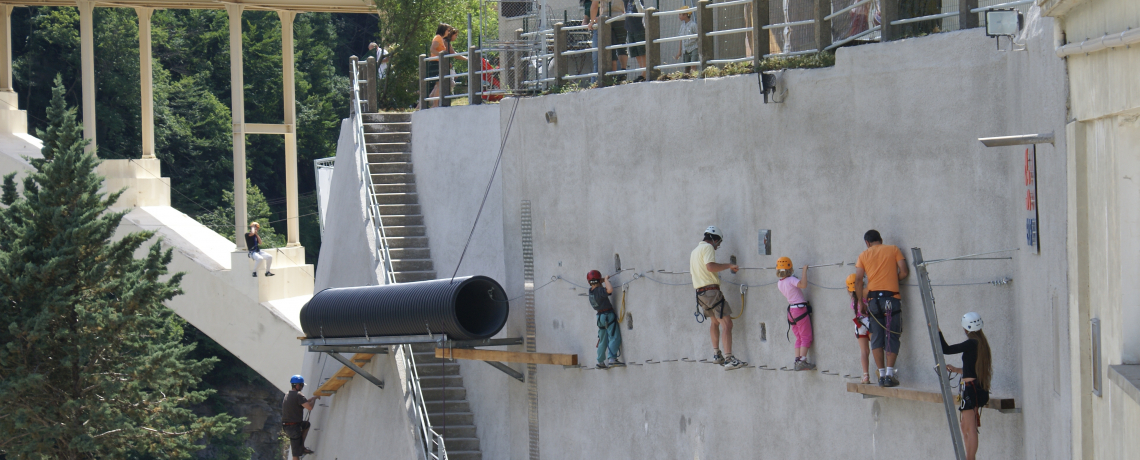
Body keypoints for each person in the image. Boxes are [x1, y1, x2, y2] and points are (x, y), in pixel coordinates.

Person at [853, 229, 908, 387]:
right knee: (892, 334)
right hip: (892, 298)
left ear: (867, 243)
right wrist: (892, 279)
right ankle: (890, 374)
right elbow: (904, 272)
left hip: (873, 300)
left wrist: (860, 303)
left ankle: (881, 375)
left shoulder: (863, 255)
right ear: (881, 239)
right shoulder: (893, 249)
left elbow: (858, 280)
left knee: (876, 337)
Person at [690, 226, 746, 370]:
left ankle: (717, 354)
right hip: (711, 292)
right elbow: (710, 267)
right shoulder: (707, 248)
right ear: (714, 239)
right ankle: (729, 358)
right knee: (727, 324)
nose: (718, 246)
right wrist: (729, 265)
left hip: (700, 294)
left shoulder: (694, 252)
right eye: (718, 243)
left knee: (715, 322)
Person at [941, 312, 992, 460]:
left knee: (970, 428)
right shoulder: (982, 343)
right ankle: (969, 457)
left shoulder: (972, 342)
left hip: (972, 389)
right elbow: (973, 369)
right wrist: (957, 370)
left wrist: (938, 332)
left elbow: (947, 349)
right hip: (975, 388)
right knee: (965, 426)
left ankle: (970, 459)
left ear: (966, 328)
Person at [777, 257, 815, 370]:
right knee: (806, 336)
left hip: (791, 312)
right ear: (790, 269)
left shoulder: (780, 283)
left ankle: (797, 360)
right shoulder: (791, 280)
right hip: (799, 309)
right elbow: (803, 285)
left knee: (798, 337)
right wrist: (804, 270)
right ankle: (802, 360)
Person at [587, 270, 625, 369]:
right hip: (608, 315)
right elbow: (609, 290)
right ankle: (612, 359)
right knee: (614, 336)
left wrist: (602, 280)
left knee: (602, 340)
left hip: (600, 317)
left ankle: (600, 361)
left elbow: (595, 284)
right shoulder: (600, 291)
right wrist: (606, 280)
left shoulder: (591, 291)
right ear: (599, 281)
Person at [427, 24, 467, 108]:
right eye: (448, 30)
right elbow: (432, 49)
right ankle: (435, 105)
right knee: (440, 84)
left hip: (439, 63)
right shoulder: (438, 37)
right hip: (435, 63)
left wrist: (445, 60)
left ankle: (430, 104)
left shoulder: (441, 39)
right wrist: (442, 56)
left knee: (438, 85)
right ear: (443, 30)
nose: (448, 32)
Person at [282, 375, 320, 459]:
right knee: (296, 455)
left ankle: (301, 446)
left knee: (306, 425)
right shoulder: (298, 395)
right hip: (294, 427)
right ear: (297, 385)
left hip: (288, 426)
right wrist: (314, 400)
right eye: (302, 385)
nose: (302, 387)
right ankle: (300, 448)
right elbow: (309, 407)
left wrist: (312, 399)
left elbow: (304, 402)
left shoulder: (288, 394)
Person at [589, 0, 628, 80]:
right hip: (620, 17)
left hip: (606, 19)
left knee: (610, 49)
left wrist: (592, 21)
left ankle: (613, 75)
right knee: (622, 45)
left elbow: (594, 5)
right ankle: (623, 71)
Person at [847, 273, 872, 383]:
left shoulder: (853, 300)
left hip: (859, 324)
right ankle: (882, 373)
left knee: (864, 351)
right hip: (870, 322)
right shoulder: (866, 293)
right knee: (877, 347)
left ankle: (865, 376)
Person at [624, 0, 647, 81]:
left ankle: (644, 73)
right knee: (635, 52)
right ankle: (642, 72)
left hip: (639, 28)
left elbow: (641, 11)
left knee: (642, 51)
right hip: (630, 29)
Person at [674, 9, 698, 73]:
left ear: (686, 15)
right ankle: (687, 78)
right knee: (686, 66)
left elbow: (698, 36)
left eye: (680, 14)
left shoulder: (693, 25)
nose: (679, 16)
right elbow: (681, 39)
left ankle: (694, 77)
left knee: (693, 65)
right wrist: (679, 51)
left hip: (694, 47)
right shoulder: (682, 26)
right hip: (685, 49)